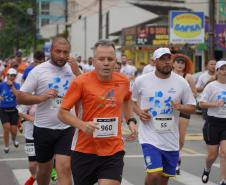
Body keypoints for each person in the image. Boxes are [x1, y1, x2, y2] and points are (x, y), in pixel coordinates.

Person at [58, 39, 138, 185]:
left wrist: (131, 120)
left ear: (116, 61)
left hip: (113, 150)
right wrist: (81, 125)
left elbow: (127, 99)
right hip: (84, 150)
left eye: (110, 59)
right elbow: (62, 113)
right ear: (93, 61)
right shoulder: (80, 82)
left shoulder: (123, 81)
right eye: (101, 59)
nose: (106, 63)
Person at [16, 37, 82, 185]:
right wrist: (41, 98)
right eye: (58, 51)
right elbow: (20, 97)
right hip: (43, 129)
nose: (62, 56)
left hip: (66, 128)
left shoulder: (74, 70)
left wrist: (78, 72)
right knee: (44, 172)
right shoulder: (38, 71)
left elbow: (90, 90)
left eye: (65, 52)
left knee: (64, 169)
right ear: (50, 51)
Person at [132, 47, 196, 185]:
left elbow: (192, 106)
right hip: (149, 137)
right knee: (154, 174)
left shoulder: (181, 82)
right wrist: (138, 111)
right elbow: (130, 100)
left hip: (171, 139)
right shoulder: (142, 80)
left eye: (168, 59)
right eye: (162, 59)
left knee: (163, 178)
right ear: (154, 62)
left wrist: (181, 107)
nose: (167, 62)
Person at [199, 60, 226, 185]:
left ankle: (222, 180)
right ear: (217, 71)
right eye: (222, 69)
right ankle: (207, 168)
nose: (225, 71)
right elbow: (201, 104)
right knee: (212, 156)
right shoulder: (211, 86)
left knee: (224, 153)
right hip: (213, 123)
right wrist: (216, 104)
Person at [172, 53, 197, 175]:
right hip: (170, 109)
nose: (180, 65)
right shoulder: (169, 76)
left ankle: (177, 154)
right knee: (171, 135)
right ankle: (174, 161)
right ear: (173, 64)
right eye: (178, 62)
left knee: (180, 139)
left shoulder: (188, 77)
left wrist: (185, 96)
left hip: (184, 109)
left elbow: (195, 93)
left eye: (182, 63)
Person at [0, 68, 20, 153]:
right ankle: (6, 146)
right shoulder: (1, 85)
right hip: (3, 109)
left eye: (14, 76)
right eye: (10, 75)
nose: (12, 77)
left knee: (14, 130)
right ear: (7, 76)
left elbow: (18, 95)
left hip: (14, 109)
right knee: (6, 129)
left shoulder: (17, 85)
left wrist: (12, 85)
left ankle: (13, 138)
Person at [18, 104, 37, 185]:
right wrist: (34, 120)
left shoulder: (56, 93)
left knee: (51, 158)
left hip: (50, 133)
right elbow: (20, 112)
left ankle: (53, 168)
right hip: (32, 134)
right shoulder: (32, 95)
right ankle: (33, 176)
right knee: (33, 164)